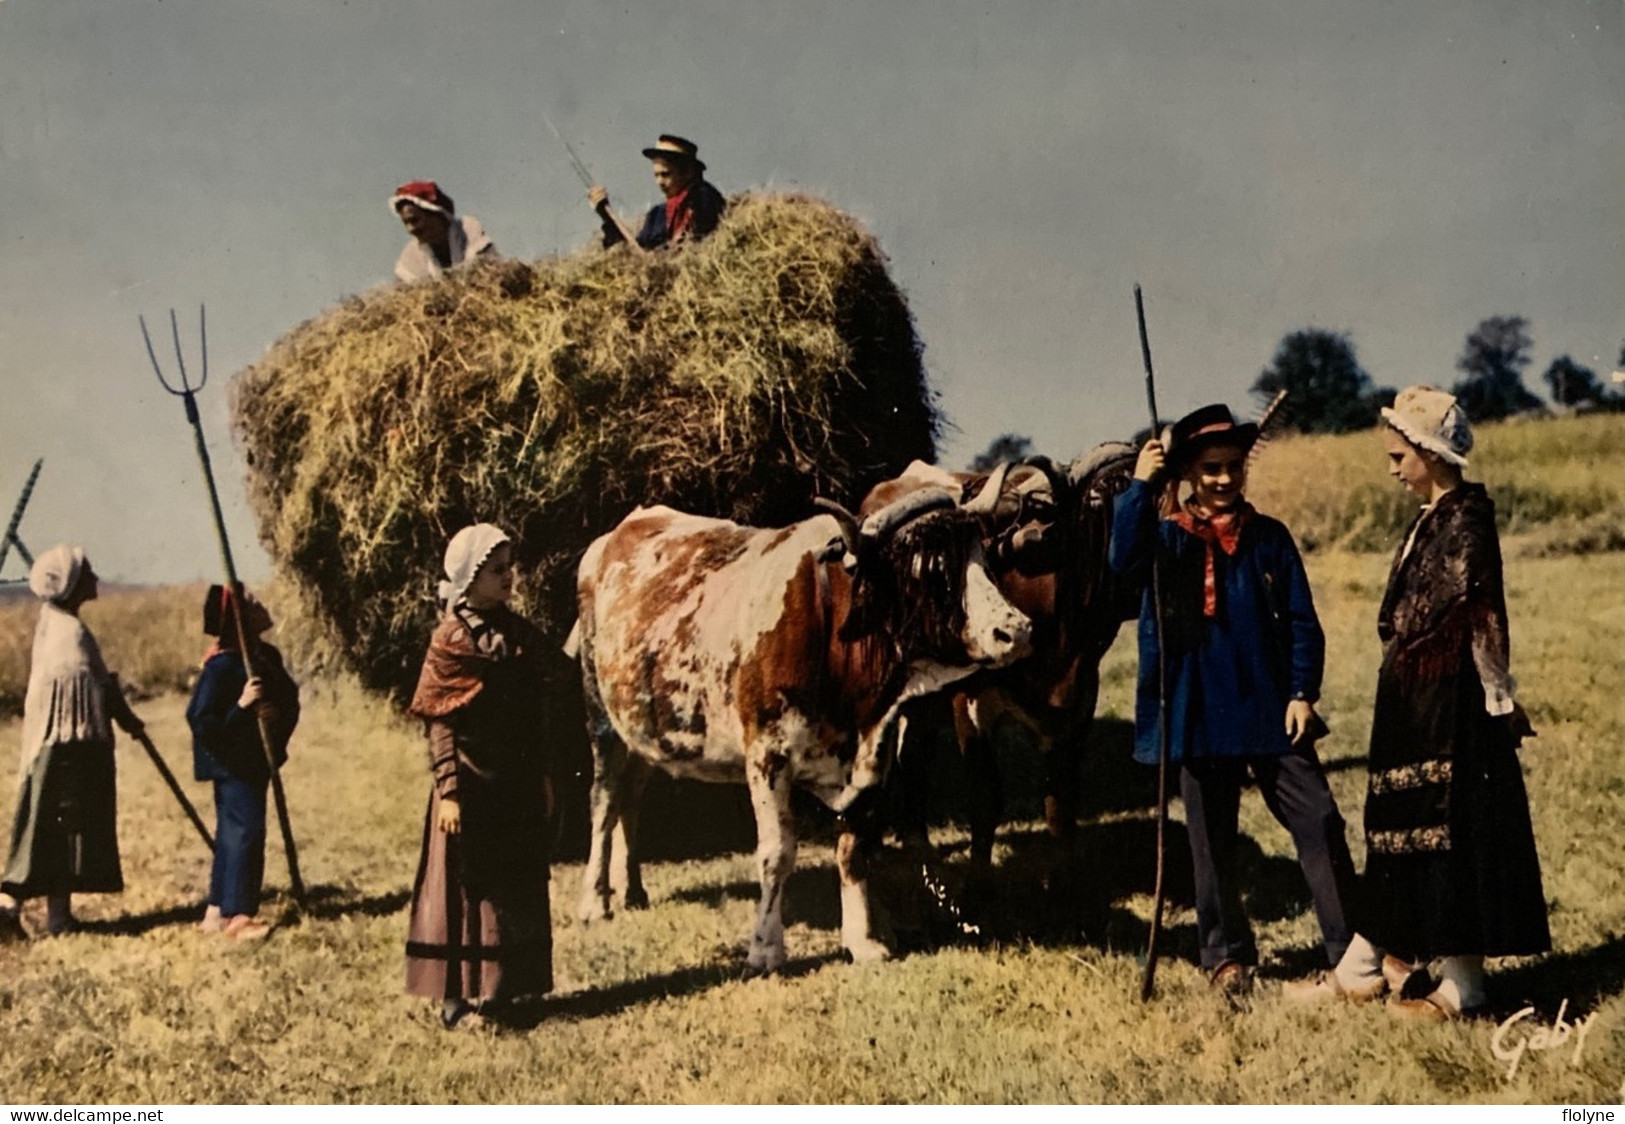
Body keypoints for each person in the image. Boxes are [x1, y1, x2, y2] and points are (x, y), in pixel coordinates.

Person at [1288, 386, 1549, 1019]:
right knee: (1401, 829)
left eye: (1398, 455)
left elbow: (1482, 616)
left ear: (1429, 453)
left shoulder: (1466, 521)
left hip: (1452, 706)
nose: (1392, 467)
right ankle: (1364, 963)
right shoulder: (1433, 519)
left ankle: (1463, 985)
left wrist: (1495, 695)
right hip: (1415, 700)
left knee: (1451, 832)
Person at [1109, 404, 1358, 995]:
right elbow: (1122, 561)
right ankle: (1225, 954)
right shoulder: (1166, 538)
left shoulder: (1269, 538)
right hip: (1198, 709)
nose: (1225, 479)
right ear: (1190, 472)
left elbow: (1302, 620)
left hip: (1271, 707)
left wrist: (1303, 692)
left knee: (1318, 819)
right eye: (1212, 468)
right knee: (1210, 840)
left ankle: (1352, 949)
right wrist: (1142, 486)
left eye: (1235, 467)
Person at [404, 524, 556, 1029]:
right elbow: (441, 722)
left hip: (512, 781)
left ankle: (510, 989)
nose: (509, 576)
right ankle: (458, 995)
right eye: (497, 570)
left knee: (515, 885)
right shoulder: (452, 638)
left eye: (510, 566)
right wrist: (448, 791)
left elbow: (554, 681)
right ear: (469, 578)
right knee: (469, 891)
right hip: (468, 785)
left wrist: (542, 776)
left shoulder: (517, 633)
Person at [0, 545, 143, 939]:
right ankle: (9, 908)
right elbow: (86, 688)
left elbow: (98, 681)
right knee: (52, 830)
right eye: (89, 573)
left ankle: (57, 918)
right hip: (69, 752)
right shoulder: (68, 634)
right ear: (74, 585)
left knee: (60, 833)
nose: (96, 578)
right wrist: (116, 714)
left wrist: (125, 715)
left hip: (64, 750)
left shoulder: (60, 623)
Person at [186, 585, 300, 942]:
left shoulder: (264, 656)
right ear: (236, 620)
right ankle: (238, 914)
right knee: (244, 832)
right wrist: (242, 707)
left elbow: (288, 697)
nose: (260, 604)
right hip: (233, 764)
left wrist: (274, 713)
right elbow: (202, 720)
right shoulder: (221, 667)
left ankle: (218, 907)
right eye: (250, 604)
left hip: (254, 762)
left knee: (234, 833)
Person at [588, 135, 725, 251]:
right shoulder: (656, 216)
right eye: (656, 175)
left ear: (688, 172)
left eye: (665, 174)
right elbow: (634, 254)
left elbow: (700, 239)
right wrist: (606, 215)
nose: (659, 182)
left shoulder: (704, 198)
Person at [390, 180, 497, 283]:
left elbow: (488, 271)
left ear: (436, 215)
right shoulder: (411, 254)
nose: (411, 229)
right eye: (406, 223)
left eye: (415, 220)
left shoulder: (468, 231)